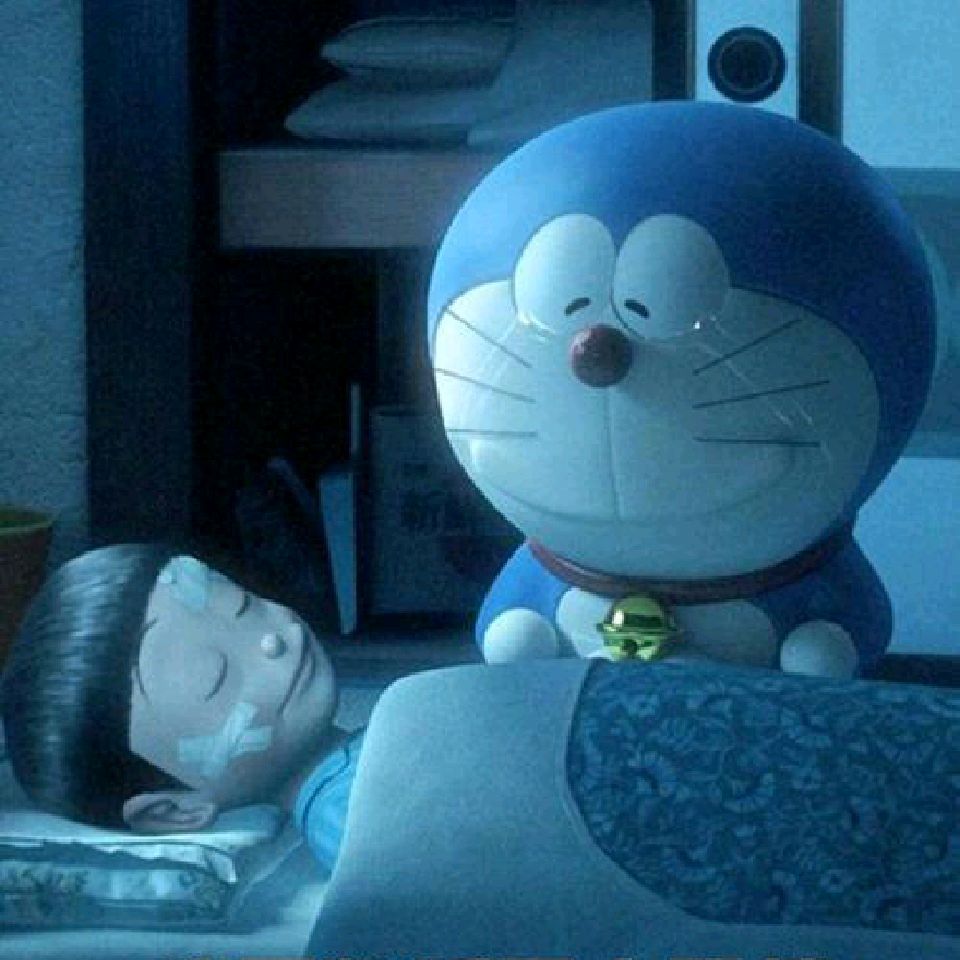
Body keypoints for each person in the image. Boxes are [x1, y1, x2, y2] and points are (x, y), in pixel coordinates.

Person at [0, 543, 362, 873]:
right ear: (173, 811)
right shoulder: (356, 816)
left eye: (244, 605)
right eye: (216, 679)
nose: (271, 642)